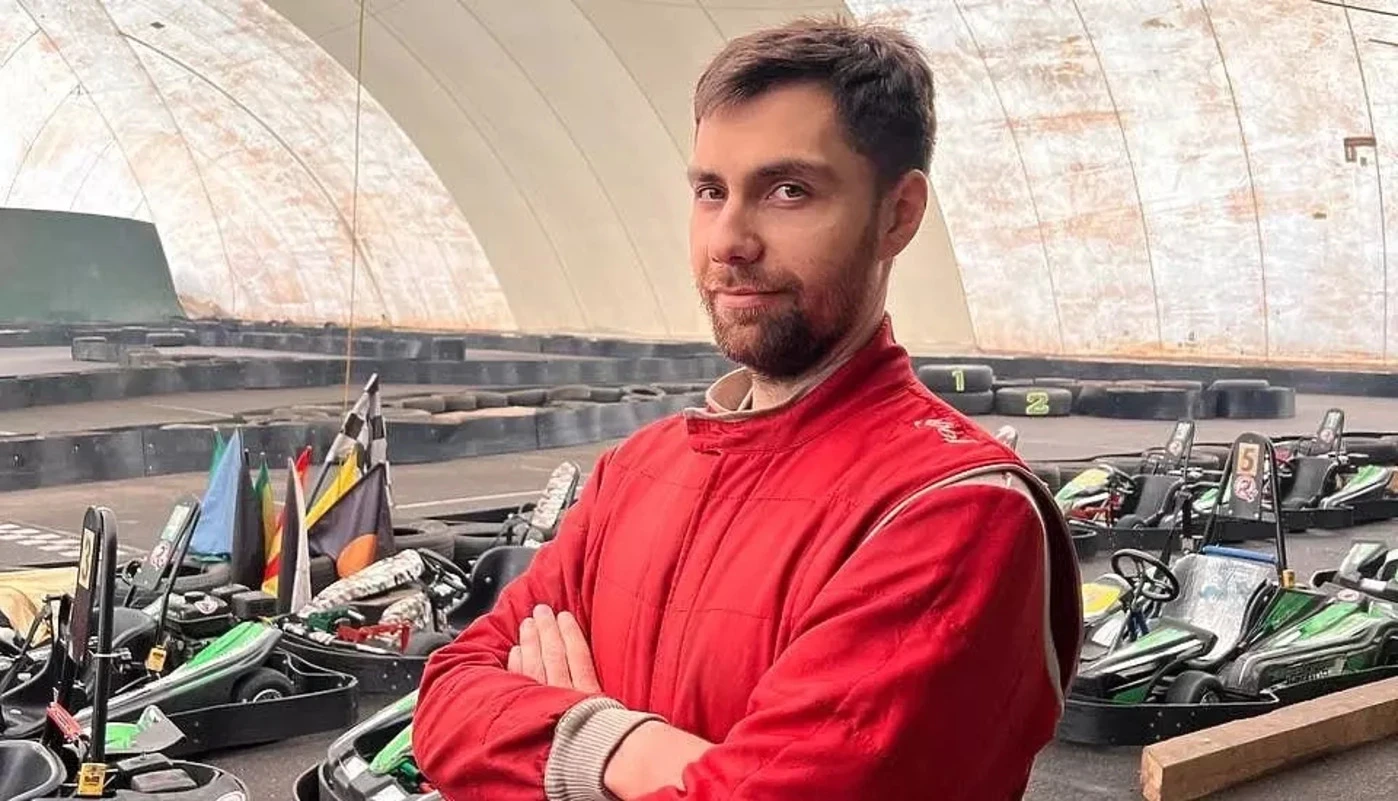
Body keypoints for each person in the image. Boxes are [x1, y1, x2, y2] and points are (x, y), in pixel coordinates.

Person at [413, 17, 1083, 801]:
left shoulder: (956, 512)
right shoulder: (636, 470)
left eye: (788, 190)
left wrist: (565, 735)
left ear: (897, 214)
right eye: (710, 191)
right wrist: (635, 748)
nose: (729, 239)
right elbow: (445, 701)